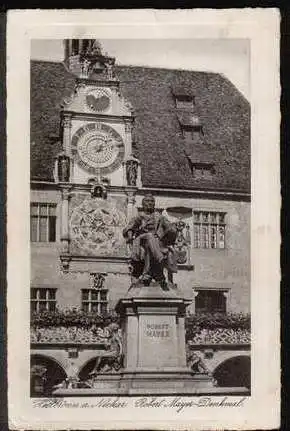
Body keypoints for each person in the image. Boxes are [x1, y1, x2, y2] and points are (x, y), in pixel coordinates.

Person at [123, 194, 177, 289]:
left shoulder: (159, 216)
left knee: (150, 244)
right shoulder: (139, 216)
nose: (150, 203)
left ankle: (147, 274)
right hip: (141, 239)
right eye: (147, 201)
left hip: (156, 242)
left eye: (152, 201)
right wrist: (130, 236)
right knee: (149, 236)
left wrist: (172, 230)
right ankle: (160, 258)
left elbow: (170, 227)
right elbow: (128, 228)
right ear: (143, 204)